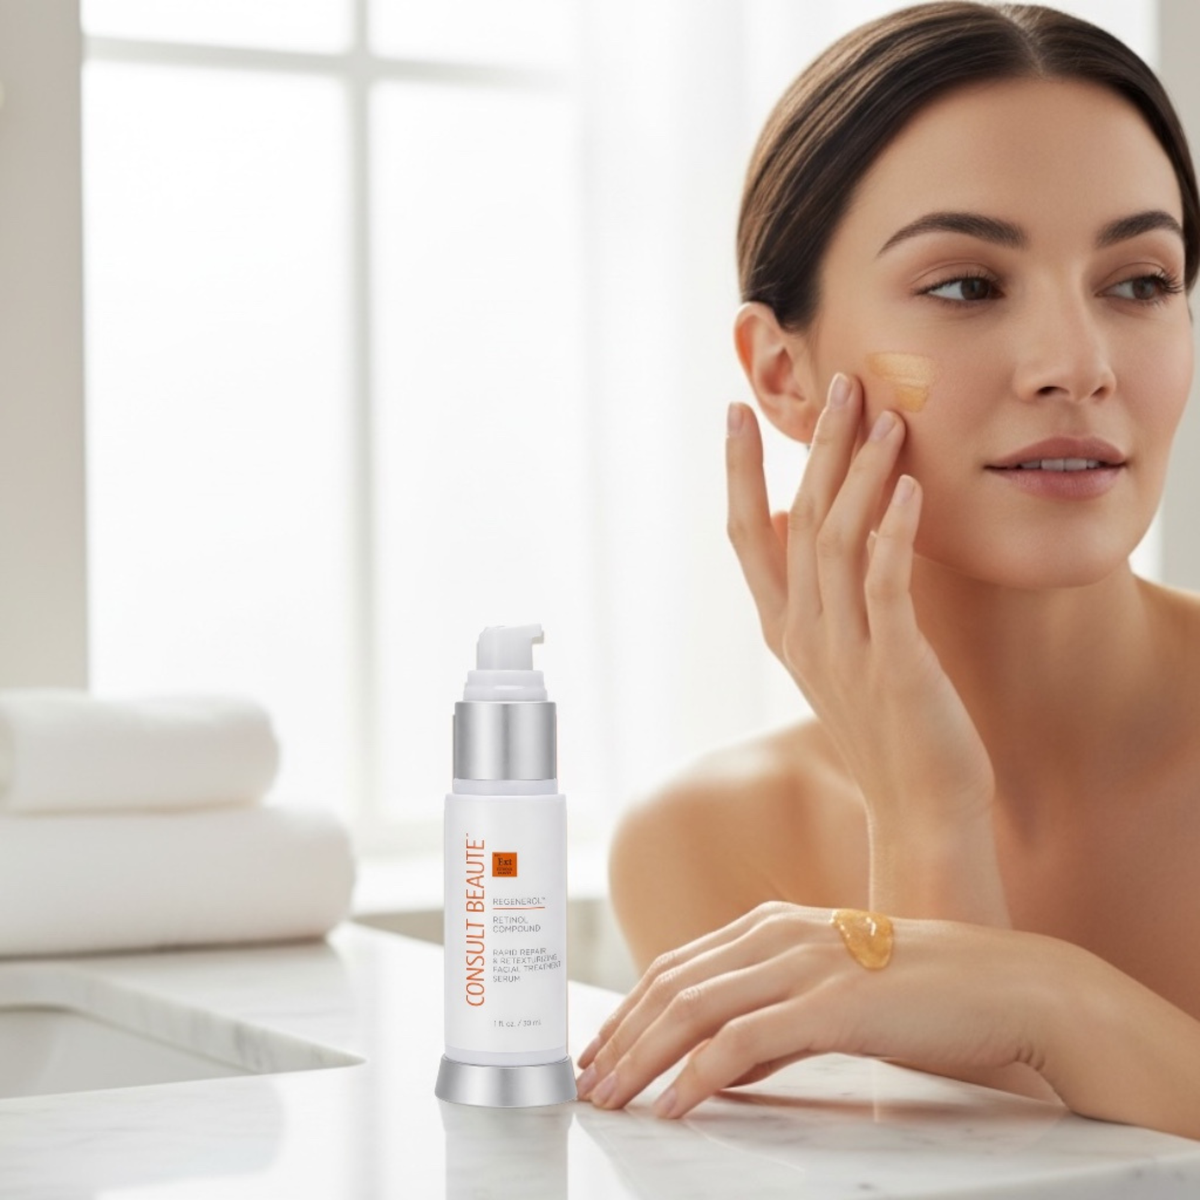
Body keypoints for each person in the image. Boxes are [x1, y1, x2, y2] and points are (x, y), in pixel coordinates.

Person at [575, 1, 1200, 1138]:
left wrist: (1048, 1001)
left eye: (1141, 282)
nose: (1079, 365)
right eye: (967, 286)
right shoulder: (707, 845)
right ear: (781, 372)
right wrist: (925, 819)